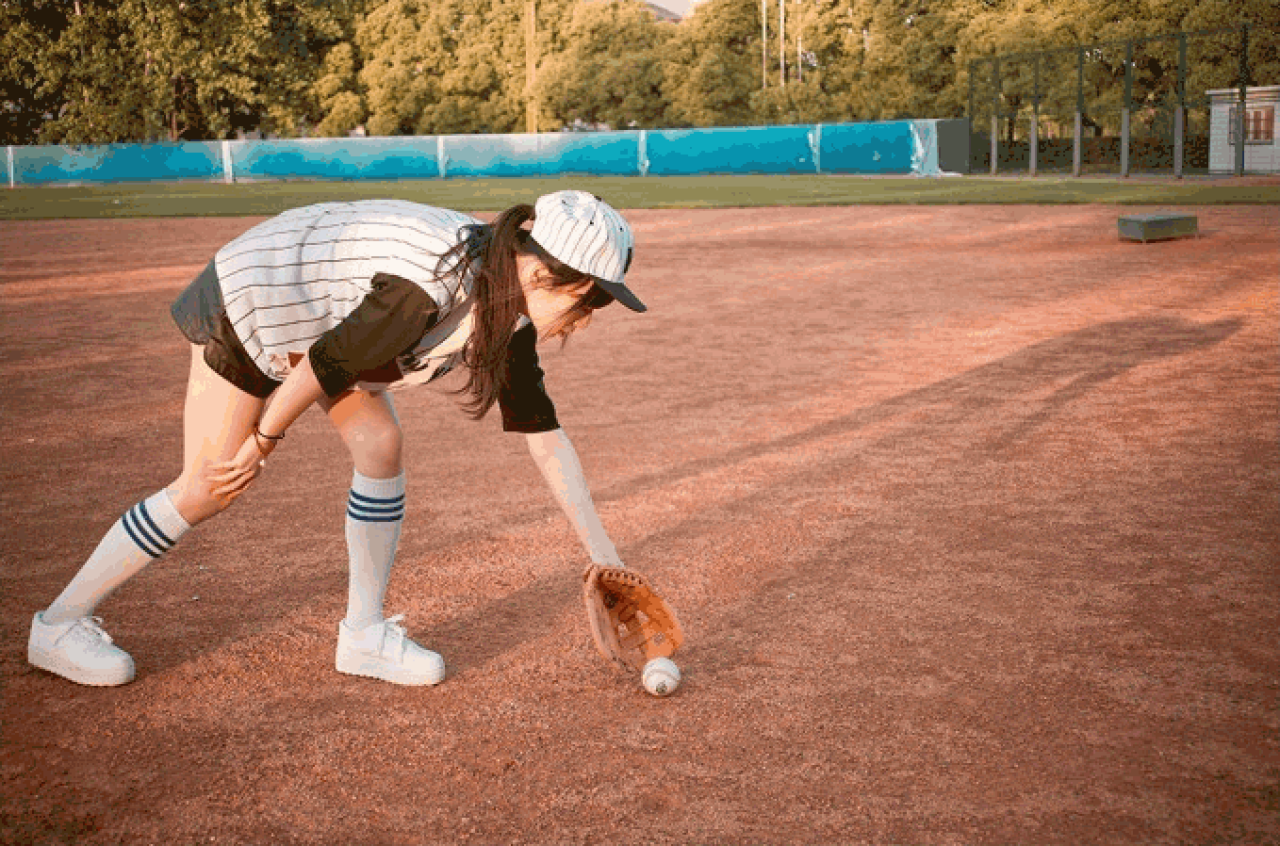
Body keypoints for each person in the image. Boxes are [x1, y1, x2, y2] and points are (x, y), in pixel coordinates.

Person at [27, 190, 643, 688]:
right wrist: (262, 440)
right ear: (540, 271)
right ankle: (58, 624)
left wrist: (606, 560)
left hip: (323, 318)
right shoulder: (427, 284)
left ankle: (364, 635)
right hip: (257, 299)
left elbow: (544, 436)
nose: (587, 319)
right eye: (588, 301)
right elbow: (324, 364)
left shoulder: (507, 307)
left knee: (379, 445)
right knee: (209, 485)